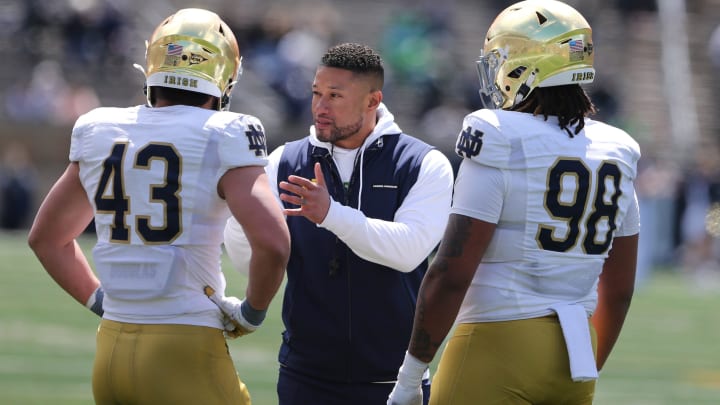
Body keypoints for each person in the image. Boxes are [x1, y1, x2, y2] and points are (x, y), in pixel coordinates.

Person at [27, 8, 290, 405]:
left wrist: (101, 300)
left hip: (111, 351)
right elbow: (273, 244)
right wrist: (251, 313)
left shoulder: (101, 128)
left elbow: (47, 239)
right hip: (185, 349)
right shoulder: (227, 133)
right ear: (225, 74)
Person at [387, 1, 641, 404]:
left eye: (502, 58)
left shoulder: (499, 134)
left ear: (528, 64)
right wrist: (589, 365)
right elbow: (621, 287)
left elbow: (450, 273)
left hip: (496, 343)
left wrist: (408, 380)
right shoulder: (617, 147)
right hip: (575, 357)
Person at [224, 42, 454, 404]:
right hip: (305, 376)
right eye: (316, 93)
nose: (320, 106)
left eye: (334, 95)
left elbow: (408, 251)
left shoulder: (423, 163)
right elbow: (248, 257)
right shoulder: (284, 160)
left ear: (372, 101)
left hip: (393, 382)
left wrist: (331, 214)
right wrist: (242, 219)